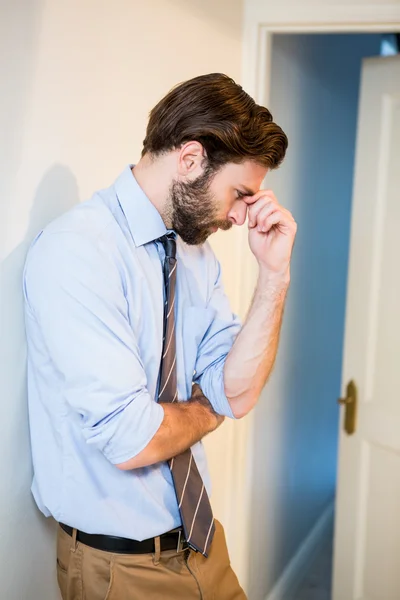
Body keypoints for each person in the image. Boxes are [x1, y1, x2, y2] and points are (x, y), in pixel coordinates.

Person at [23, 73, 297, 599]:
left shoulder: (195, 255)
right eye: (240, 194)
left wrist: (274, 275)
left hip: (203, 545)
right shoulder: (79, 252)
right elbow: (134, 438)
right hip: (121, 569)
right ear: (191, 159)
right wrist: (205, 407)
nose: (242, 215)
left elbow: (237, 391)